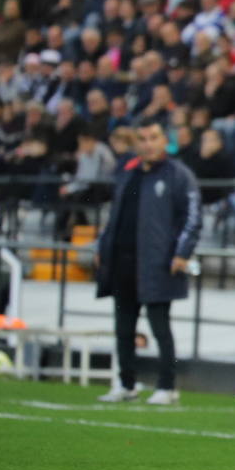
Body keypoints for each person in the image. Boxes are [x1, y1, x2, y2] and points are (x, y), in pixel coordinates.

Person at [94, 119, 201, 406]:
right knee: (123, 328)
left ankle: (167, 386)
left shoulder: (178, 175)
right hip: (123, 262)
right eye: (142, 138)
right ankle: (126, 383)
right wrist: (103, 247)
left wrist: (182, 253)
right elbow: (115, 216)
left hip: (157, 262)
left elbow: (192, 218)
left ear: (164, 141)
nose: (148, 143)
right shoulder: (129, 174)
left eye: (153, 137)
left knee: (160, 327)